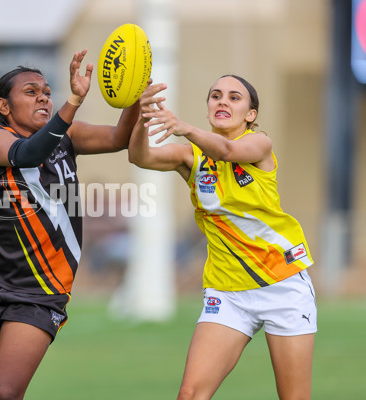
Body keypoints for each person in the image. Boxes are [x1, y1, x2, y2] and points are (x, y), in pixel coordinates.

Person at [0, 49, 140, 400]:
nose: (44, 98)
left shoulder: (69, 136)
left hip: (40, 288)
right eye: (31, 92)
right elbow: (27, 155)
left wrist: (134, 95)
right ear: (4, 107)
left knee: (5, 392)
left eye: (48, 92)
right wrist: (75, 100)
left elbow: (119, 138)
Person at [128, 76, 317, 400]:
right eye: (215, 96)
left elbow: (228, 150)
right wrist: (141, 112)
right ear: (207, 109)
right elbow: (140, 157)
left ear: (250, 115)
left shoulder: (259, 144)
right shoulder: (191, 157)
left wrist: (184, 128)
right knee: (190, 394)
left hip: (282, 284)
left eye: (234, 97)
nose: (222, 101)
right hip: (227, 293)